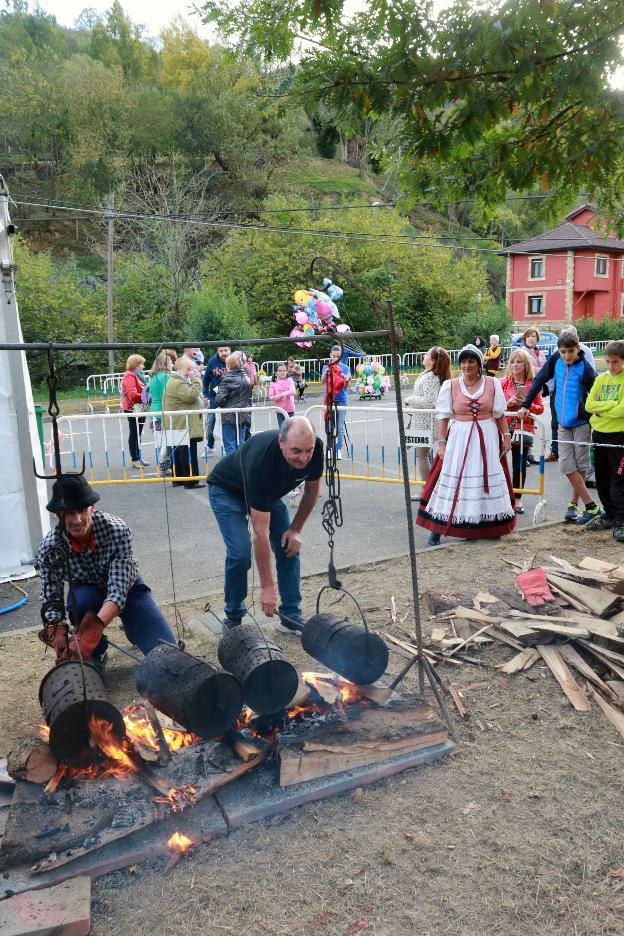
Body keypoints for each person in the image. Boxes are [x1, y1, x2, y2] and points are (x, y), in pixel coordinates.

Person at [37, 475, 176, 670]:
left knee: (168, 653)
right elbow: (51, 595)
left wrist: (93, 630)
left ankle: (132, 626)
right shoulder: (50, 547)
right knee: (82, 600)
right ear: (58, 515)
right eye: (69, 513)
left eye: (82, 511)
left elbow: (118, 591)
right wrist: (57, 632)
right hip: (86, 592)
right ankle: (97, 652)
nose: (77, 520)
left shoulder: (117, 530)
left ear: (92, 508)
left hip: (127, 590)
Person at [208, 416, 324, 631]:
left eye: (308, 450)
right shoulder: (262, 461)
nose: (304, 458)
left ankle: (290, 614)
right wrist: (267, 587)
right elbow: (259, 533)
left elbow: (312, 489)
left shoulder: (315, 448)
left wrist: (295, 529)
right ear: (281, 442)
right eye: (296, 451)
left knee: (289, 545)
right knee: (240, 553)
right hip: (227, 490)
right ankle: (233, 616)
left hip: (267, 494)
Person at [416, 344, 516, 546]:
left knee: (484, 479)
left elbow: (499, 414)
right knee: (452, 480)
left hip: (486, 436)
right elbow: (443, 417)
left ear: (479, 364)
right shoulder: (450, 386)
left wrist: (506, 436)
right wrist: (442, 444)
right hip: (459, 437)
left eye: (471, 361)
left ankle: (491, 525)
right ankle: (439, 527)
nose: (466, 365)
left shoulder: (492, 383)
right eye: (463, 361)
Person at [518, 332, 599, 525]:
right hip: (562, 423)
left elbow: (596, 395)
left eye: (570, 351)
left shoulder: (586, 370)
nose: (566, 356)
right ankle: (591, 505)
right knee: (566, 466)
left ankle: (573, 505)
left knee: (580, 466)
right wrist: (526, 404)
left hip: (581, 423)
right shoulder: (556, 359)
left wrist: (596, 417)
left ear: (578, 349)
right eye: (563, 352)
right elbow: (539, 380)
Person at [584, 340, 624, 542]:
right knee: (602, 477)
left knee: (619, 479)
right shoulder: (601, 379)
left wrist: (603, 409)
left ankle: (620, 520)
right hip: (599, 434)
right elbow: (590, 405)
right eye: (607, 362)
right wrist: (610, 405)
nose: (610, 366)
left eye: (614, 362)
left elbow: (623, 410)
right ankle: (608, 514)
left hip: (620, 436)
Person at [500, 349, 544, 515]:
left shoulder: (533, 384)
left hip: (523, 429)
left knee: (519, 465)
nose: (515, 365)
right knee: (498, 463)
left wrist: (527, 407)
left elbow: (540, 408)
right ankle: (500, 497)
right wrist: (508, 403)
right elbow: (495, 405)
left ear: (526, 364)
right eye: (512, 361)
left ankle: (517, 498)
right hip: (503, 428)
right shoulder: (503, 382)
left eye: (519, 362)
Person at [545, 326, 596, 464]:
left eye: (570, 334)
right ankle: (554, 452)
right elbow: (549, 372)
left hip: (579, 403)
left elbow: (592, 376)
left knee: (580, 456)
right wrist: (551, 388)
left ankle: (580, 478)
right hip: (558, 393)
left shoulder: (586, 353)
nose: (566, 355)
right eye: (564, 335)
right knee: (556, 424)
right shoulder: (557, 352)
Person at [404, 346, 452, 483]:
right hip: (424, 421)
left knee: (422, 455)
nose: (423, 355)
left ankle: (426, 490)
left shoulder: (431, 377)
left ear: (432, 360)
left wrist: (410, 400)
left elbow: (430, 401)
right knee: (423, 455)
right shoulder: (429, 373)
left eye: (426, 354)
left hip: (426, 422)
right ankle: (430, 488)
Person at [163, 357, 206, 489]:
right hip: (183, 423)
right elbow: (190, 396)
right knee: (188, 451)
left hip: (178, 422)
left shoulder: (175, 380)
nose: (193, 372)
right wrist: (196, 380)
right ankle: (191, 480)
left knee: (179, 451)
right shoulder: (179, 382)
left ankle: (179, 479)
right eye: (191, 369)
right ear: (186, 369)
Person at [216, 352, 253, 454]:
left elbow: (220, 400)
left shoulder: (227, 379)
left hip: (229, 416)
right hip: (243, 415)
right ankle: (239, 467)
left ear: (228, 365)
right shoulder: (247, 378)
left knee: (230, 444)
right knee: (239, 443)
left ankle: (231, 467)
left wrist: (218, 395)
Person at [120, 354, 150, 469]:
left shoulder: (137, 375)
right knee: (134, 433)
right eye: (141, 364)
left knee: (138, 433)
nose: (143, 366)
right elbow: (132, 395)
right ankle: (134, 459)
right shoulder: (129, 376)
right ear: (135, 365)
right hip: (132, 408)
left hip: (140, 407)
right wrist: (147, 397)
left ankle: (138, 456)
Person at [321, 345, 351, 460]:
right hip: (329, 399)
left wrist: (345, 378)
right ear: (330, 355)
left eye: (338, 356)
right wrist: (326, 372)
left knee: (340, 427)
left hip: (341, 400)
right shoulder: (326, 366)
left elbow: (347, 383)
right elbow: (322, 381)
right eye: (334, 356)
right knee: (329, 426)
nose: (335, 359)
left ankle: (338, 449)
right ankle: (330, 448)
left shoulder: (345, 367)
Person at [202, 345, 230, 456]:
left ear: (229, 350)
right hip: (214, 398)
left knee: (228, 425)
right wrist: (206, 394)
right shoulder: (212, 362)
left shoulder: (234, 360)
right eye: (221, 351)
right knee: (210, 424)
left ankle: (228, 448)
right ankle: (210, 447)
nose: (223, 353)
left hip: (229, 399)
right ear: (217, 351)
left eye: (225, 350)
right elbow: (206, 379)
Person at [148, 351, 173, 474]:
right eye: (170, 362)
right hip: (164, 410)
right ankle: (164, 465)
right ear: (165, 364)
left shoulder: (153, 377)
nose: (172, 364)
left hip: (154, 409)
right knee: (167, 440)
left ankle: (163, 466)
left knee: (160, 440)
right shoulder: (166, 376)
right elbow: (168, 394)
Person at [269, 363, 296, 428]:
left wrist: (281, 395)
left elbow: (292, 391)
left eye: (284, 371)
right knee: (282, 430)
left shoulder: (289, 380)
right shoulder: (273, 383)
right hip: (280, 411)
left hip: (290, 410)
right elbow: (270, 396)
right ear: (276, 372)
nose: (282, 372)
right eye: (280, 371)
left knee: (290, 430)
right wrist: (275, 397)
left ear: (287, 372)